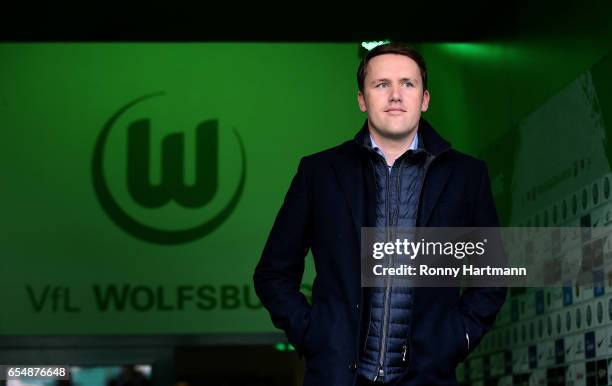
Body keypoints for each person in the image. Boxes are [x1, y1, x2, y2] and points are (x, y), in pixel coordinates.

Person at [253, 42, 507, 386]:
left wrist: (457, 337)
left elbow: (490, 275)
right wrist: (315, 334)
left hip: (427, 376)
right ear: (362, 99)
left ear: (425, 98)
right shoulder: (320, 172)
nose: (396, 95)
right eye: (381, 84)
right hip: (338, 376)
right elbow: (273, 273)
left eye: (407, 83)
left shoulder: (467, 176)